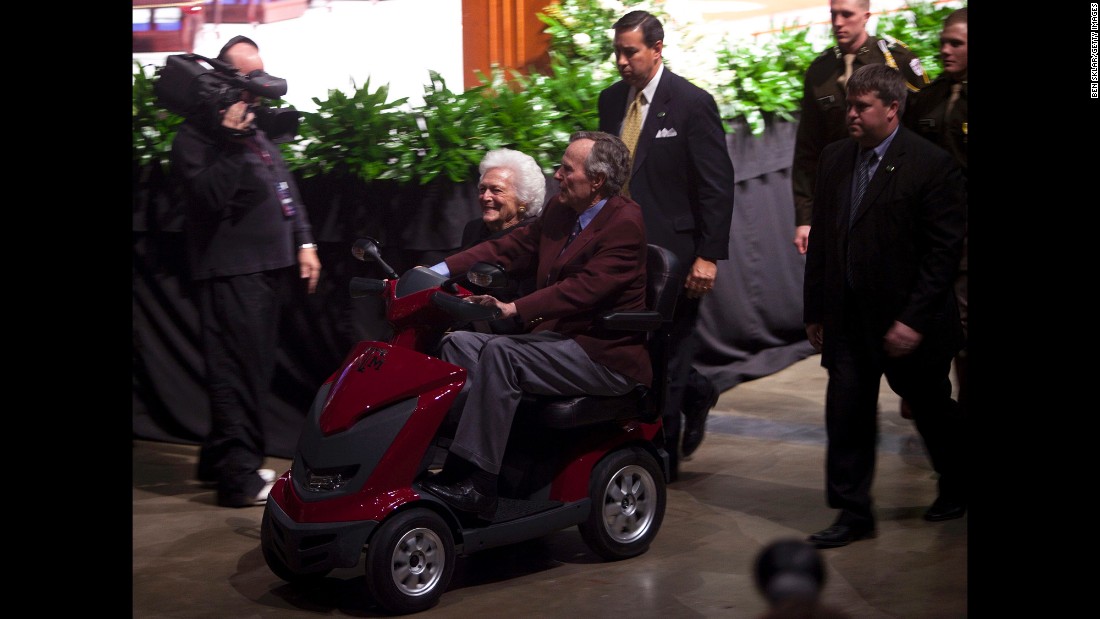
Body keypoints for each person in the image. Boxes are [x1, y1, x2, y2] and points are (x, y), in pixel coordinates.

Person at [421, 131, 650, 518]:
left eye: (567, 169)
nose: (557, 175)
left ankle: (481, 485)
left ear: (596, 181)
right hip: (558, 343)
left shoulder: (625, 223)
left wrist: (515, 307)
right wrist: (438, 270)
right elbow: (508, 247)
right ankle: (460, 463)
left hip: (602, 353)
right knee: (456, 344)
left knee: (501, 353)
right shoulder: (562, 210)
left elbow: (584, 289)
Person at [803, 64, 967, 548]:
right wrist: (816, 310)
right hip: (850, 318)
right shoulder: (836, 160)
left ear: (892, 109)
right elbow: (825, 245)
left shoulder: (930, 166)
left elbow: (942, 255)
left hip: (908, 323)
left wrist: (912, 320)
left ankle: (958, 481)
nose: (850, 114)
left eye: (861, 107)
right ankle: (853, 513)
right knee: (846, 412)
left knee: (933, 410)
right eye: (849, 105)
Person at [169, 35, 322, 508]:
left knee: (249, 370)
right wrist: (233, 139)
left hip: (267, 269)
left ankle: (220, 458)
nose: (256, 86)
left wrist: (305, 241)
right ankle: (237, 479)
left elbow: (282, 183)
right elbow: (208, 200)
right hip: (231, 272)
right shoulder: (195, 138)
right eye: (246, 76)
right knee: (236, 373)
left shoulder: (253, 126)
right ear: (223, 73)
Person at [597, 9, 736, 470]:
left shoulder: (691, 103)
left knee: (673, 348)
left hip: (676, 254)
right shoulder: (611, 101)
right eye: (617, 51)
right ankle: (698, 393)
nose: (621, 61)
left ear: (657, 50)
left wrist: (709, 256)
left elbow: (716, 185)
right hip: (622, 251)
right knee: (636, 346)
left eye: (630, 51)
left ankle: (663, 456)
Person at [792, 0, 928, 256]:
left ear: (866, 16)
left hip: (896, 188)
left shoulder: (895, 60)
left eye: (847, 15)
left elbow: (923, 128)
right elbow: (807, 150)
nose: (838, 23)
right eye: (833, 15)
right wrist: (805, 217)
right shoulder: (820, 72)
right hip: (843, 192)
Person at [902, 7, 967, 418]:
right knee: (930, 320)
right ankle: (930, 399)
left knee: (962, 328)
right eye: (943, 42)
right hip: (927, 235)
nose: (944, 50)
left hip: (965, 239)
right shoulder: (927, 97)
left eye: (956, 44)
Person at [453, 148, 545, 335]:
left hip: (509, 332)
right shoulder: (473, 229)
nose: (486, 197)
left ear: (523, 200)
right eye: (482, 189)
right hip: (464, 320)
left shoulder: (533, 236)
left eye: (496, 190)